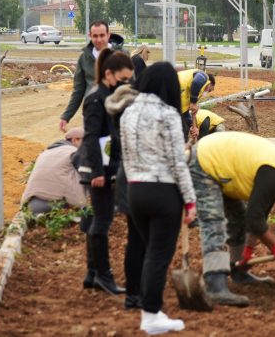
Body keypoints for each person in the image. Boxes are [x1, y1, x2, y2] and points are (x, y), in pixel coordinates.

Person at [190, 131, 275, 306]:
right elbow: (254, 218)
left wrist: (248, 249)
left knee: (238, 218)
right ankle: (215, 285)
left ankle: (237, 269)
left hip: (223, 167)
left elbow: (258, 215)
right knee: (214, 222)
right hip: (205, 161)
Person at [120, 62, 197, 334]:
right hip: (163, 192)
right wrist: (189, 200)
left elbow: (126, 155)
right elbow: (177, 162)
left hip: (135, 190)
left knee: (147, 250)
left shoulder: (128, 113)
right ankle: (151, 314)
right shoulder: (168, 114)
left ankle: (149, 309)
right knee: (157, 255)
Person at [77, 49, 133, 295]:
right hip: (97, 168)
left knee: (99, 220)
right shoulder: (96, 98)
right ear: (108, 74)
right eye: (122, 80)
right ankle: (103, 275)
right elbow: (90, 136)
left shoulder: (109, 96)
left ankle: (92, 273)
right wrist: (98, 172)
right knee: (102, 222)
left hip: (107, 166)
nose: (126, 84)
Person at [105, 81, 145, 310]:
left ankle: (133, 294)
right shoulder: (133, 121)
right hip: (139, 184)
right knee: (145, 241)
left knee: (135, 240)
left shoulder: (115, 118)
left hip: (125, 183)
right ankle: (140, 291)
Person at [59, 20, 125, 132]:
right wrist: (66, 116)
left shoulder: (122, 55)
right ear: (90, 36)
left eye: (102, 35)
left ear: (108, 35)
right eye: (95, 36)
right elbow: (78, 90)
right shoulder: (84, 58)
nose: (99, 40)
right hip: (92, 113)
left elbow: (132, 85)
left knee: (114, 148)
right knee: (92, 147)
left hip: (116, 113)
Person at [21, 127, 86, 215]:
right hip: (58, 204)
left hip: (31, 204)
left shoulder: (45, 153)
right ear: (75, 140)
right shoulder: (74, 152)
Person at [178, 68, 216, 138]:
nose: (207, 92)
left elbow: (186, 113)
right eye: (210, 90)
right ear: (210, 83)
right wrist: (193, 102)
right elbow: (196, 82)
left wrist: (193, 127)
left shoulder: (192, 94)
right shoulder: (204, 76)